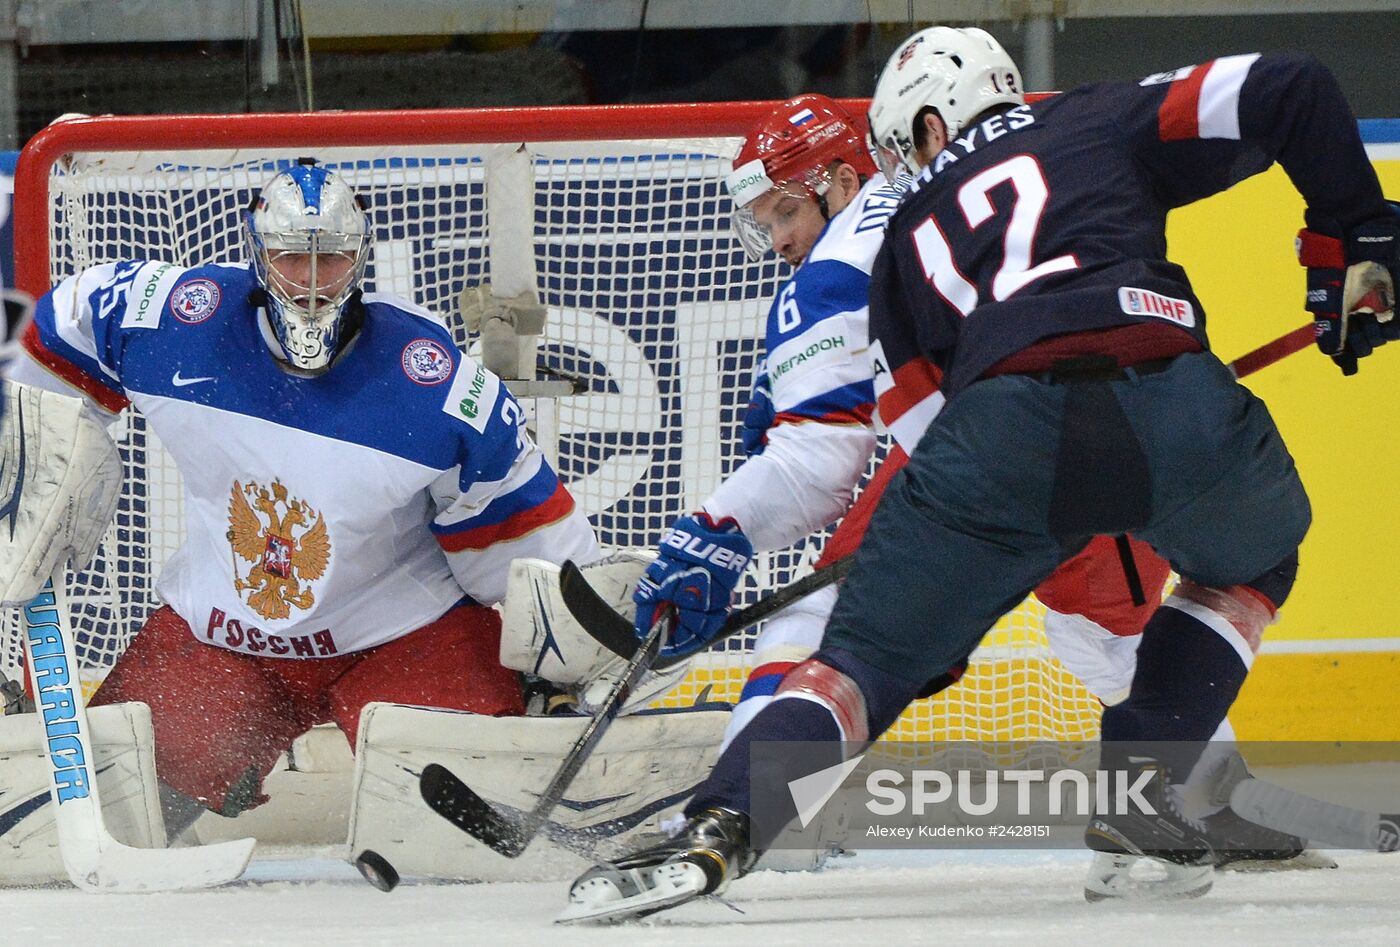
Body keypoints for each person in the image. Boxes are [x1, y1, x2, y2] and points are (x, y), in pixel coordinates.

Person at [562, 29, 1396, 920]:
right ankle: (1151, 785)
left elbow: (927, 433)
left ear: (927, 127)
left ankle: (723, 819)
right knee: (1249, 558)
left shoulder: (899, 236)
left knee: (856, 657)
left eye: (782, 214)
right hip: (1173, 398)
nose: (778, 241)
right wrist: (1353, 240)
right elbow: (1293, 87)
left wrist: (942, 606)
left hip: (998, 446)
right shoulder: (1092, 117)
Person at [7, 159, 600, 834]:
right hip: (227, 636)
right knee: (111, 816)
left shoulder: (434, 385)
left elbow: (532, 543)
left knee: (488, 817)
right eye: (293, 258)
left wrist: (571, 659)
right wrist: (29, 435)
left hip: (398, 633)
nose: (314, 282)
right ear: (259, 255)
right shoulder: (177, 319)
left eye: (333, 260)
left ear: (360, 258)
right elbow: (67, 317)